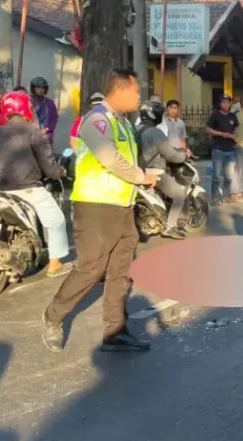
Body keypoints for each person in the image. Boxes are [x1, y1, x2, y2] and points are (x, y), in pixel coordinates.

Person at [41, 68, 157, 353]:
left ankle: (115, 330)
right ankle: (53, 317)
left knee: (121, 271)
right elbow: (109, 159)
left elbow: (126, 160)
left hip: (122, 206)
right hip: (95, 207)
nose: (139, 95)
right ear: (120, 90)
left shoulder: (123, 124)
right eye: (136, 90)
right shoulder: (97, 121)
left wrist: (142, 181)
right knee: (91, 268)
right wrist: (141, 177)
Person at [0, 92, 72, 278]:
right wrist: (61, 172)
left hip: (0, 191)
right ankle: (55, 264)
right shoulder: (34, 132)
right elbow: (49, 168)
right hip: (29, 189)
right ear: (25, 110)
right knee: (56, 221)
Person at [137, 100, 189, 240]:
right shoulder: (155, 132)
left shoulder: (136, 129)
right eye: (159, 112)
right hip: (154, 172)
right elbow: (171, 155)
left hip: (137, 171)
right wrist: (184, 155)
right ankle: (170, 227)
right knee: (179, 195)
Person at [206, 94, 239, 206]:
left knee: (229, 176)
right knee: (216, 176)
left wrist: (235, 137)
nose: (226, 104)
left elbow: (236, 130)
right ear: (220, 104)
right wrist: (221, 134)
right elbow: (208, 129)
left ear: (230, 104)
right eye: (224, 102)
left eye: (228, 102)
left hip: (230, 150)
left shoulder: (233, 116)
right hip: (218, 149)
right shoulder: (215, 115)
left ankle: (226, 195)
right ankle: (214, 197)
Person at [29, 76, 59, 143]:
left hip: (46, 136)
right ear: (33, 88)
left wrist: (46, 129)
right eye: (38, 87)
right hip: (31, 136)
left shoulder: (50, 103)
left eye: (43, 87)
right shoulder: (28, 101)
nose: (41, 89)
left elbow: (54, 119)